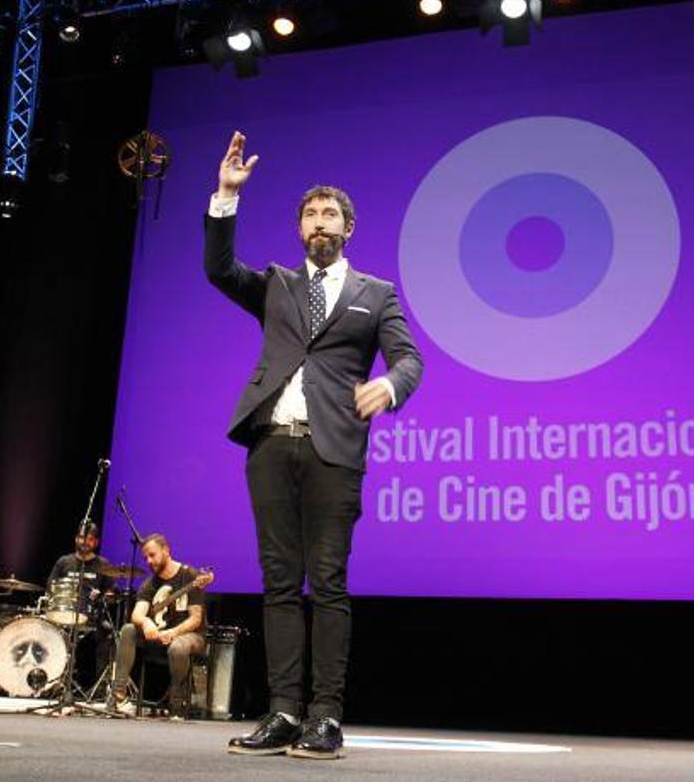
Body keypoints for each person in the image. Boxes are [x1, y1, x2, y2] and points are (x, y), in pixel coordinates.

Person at [206, 131, 423, 758]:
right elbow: (219, 269)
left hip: (334, 451)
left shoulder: (375, 294)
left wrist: (388, 385)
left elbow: (409, 360)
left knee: (326, 582)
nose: (319, 222)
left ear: (347, 228)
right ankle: (282, 712)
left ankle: (325, 717)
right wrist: (225, 196)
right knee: (279, 582)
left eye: (330, 214)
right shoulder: (276, 284)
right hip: (272, 446)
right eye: (310, 214)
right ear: (300, 228)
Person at [109, 534, 210, 718]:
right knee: (129, 630)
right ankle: (118, 694)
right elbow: (137, 615)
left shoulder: (190, 576)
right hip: (159, 636)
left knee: (178, 647)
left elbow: (195, 619)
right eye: (146, 557)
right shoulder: (150, 583)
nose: (149, 561)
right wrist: (146, 622)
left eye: (152, 555)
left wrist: (174, 632)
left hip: (190, 636)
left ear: (166, 551)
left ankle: (177, 699)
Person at [45, 520, 116, 689]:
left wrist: (103, 596)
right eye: (82, 537)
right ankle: (51, 682)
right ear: (76, 538)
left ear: (96, 542)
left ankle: (98, 687)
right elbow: (50, 588)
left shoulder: (103, 565)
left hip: (92, 619)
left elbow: (111, 595)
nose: (85, 542)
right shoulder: (64, 562)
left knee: (107, 634)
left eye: (90, 539)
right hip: (63, 616)